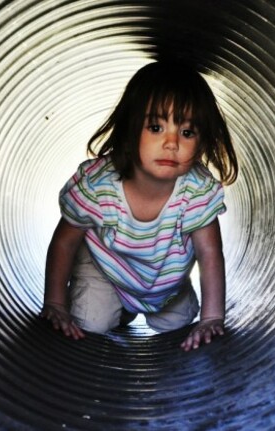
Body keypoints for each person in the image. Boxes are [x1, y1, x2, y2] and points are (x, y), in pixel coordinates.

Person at [40, 60, 238, 351]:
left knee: (179, 326)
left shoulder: (196, 190)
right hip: (105, 267)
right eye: (156, 127)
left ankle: (132, 307)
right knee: (92, 323)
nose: (171, 143)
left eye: (187, 132)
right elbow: (65, 243)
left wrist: (212, 318)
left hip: (165, 279)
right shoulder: (99, 185)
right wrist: (55, 303)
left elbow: (209, 254)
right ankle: (118, 307)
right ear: (130, 130)